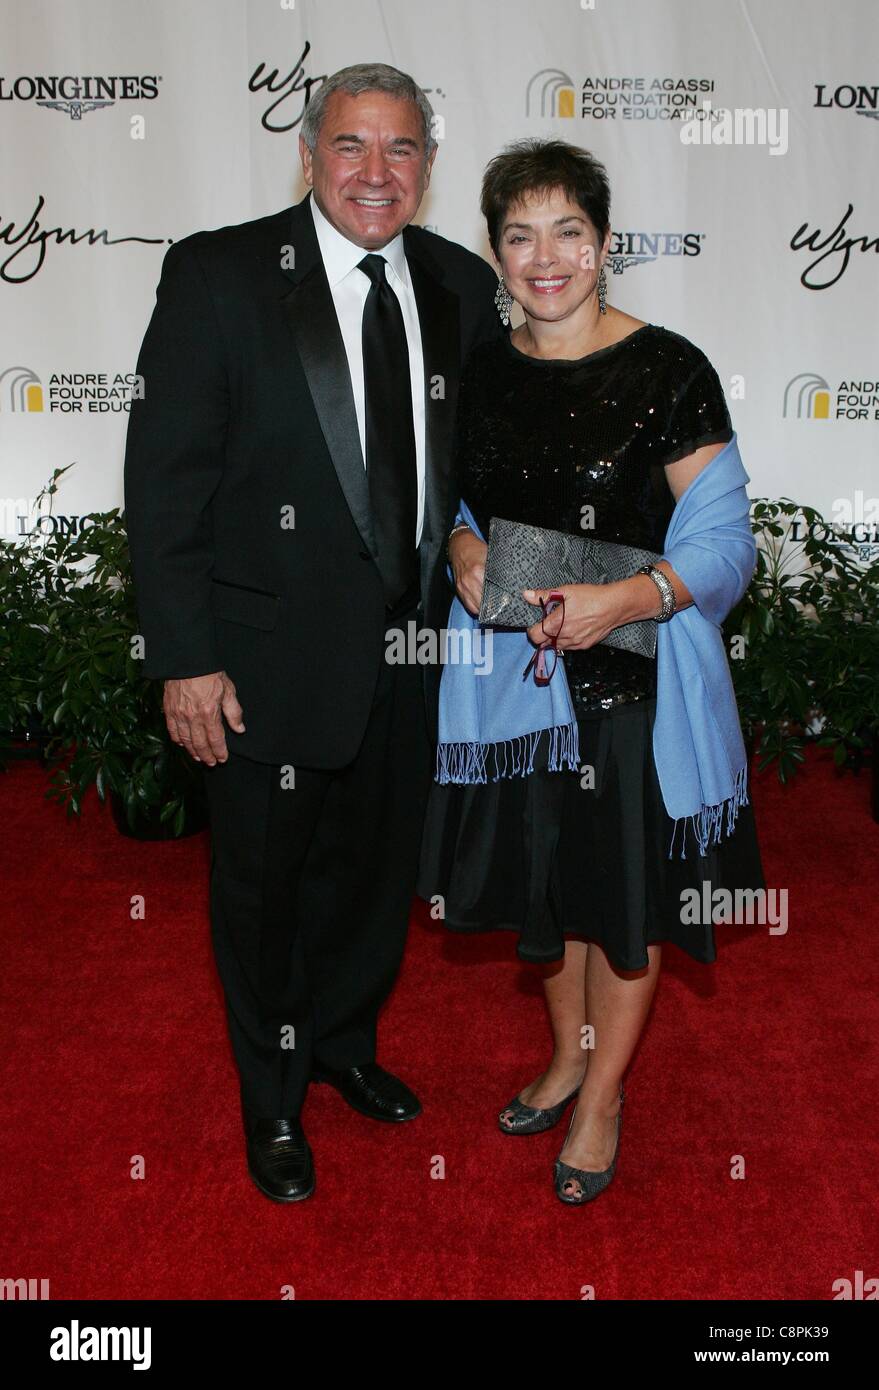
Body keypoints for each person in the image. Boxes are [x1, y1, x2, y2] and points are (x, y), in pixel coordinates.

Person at [123, 63, 503, 1203]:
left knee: (376, 878)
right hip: (259, 663)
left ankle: (341, 1042)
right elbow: (164, 483)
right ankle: (274, 1098)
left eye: (400, 151)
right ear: (308, 154)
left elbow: (475, 465)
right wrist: (184, 656)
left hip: (415, 655)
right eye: (351, 146)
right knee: (265, 890)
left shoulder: (459, 285)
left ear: (427, 169)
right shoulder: (220, 275)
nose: (374, 174)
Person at [417, 138, 766, 1205]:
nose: (546, 256)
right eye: (520, 235)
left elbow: (725, 544)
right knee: (553, 892)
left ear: (605, 244)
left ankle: (604, 1095)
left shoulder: (668, 368)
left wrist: (630, 598)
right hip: (521, 690)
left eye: (569, 230)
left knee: (621, 906)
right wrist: (465, 550)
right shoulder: (483, 367)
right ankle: (566, 1057)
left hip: (634, 688)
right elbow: (467, 509)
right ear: (496, 250)